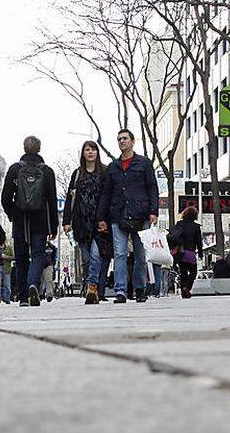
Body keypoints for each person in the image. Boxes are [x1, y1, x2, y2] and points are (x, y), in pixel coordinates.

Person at [97, 129, 160, 304]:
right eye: (119, 139)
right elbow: (106, 193)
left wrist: (154, 211)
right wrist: (101, 218)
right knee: (120, 254)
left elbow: (152, 187)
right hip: (118, 215)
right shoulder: (113, 167)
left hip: (141, 215)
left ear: (132, 141)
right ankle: (121, 290)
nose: (121, 141)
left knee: (140, 256)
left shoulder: (144, 163)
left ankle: (140, 289)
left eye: (125, 138)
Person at [2, 136, 59, 306]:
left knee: (20, 257)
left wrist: (13, 214)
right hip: (40, 219)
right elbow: (52, 200)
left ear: (24, 148)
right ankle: (32, 284)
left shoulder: (14, 169)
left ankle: (23, 298)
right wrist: (53, 225)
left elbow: (5, 197)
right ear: (39, 149)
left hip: (20, 219)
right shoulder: (47, 171)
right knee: (37, 255)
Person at [66, 141, 111, 304]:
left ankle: (92, 287)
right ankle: (90, 284)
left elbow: (108, 197)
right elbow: (69, 198)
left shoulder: (105, 172)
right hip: (81, 223)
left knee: (96, 256)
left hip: (99, 223)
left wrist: (107, 219)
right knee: (86, 259)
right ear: (83, 153)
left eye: (93, 149)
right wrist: (67, 221)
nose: (90, 152)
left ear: (97, 152)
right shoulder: (77, 174)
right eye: (87, 149)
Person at [169, 205, 203, 298]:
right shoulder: (196, 227)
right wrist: (200, 253)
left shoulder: (179, 224)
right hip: (190, 252)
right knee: (193, 272)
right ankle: (187, 288)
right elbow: (199, 241)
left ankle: (183, 290)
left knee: (183, 272)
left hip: (180, 252)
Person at [0, 238, 14, 304]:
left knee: (7, 285)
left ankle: (7, 299)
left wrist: (5, 257)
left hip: (7, 268)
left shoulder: (9, 248)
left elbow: (13, 257)